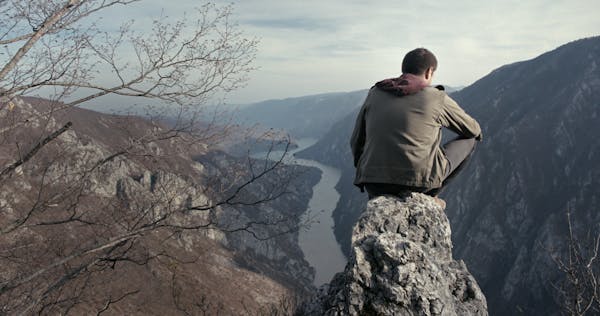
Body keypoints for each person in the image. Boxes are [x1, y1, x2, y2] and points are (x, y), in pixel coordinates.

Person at [350, 48, 482, 209]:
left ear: (403, 69)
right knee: (470, 140)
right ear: (429, 72)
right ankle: (430, 196)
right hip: (418, 184)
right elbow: (474, 130)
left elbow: (356, 140)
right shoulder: (435, 97)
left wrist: (365, 168)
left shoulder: (376, 92)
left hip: (373, 182)